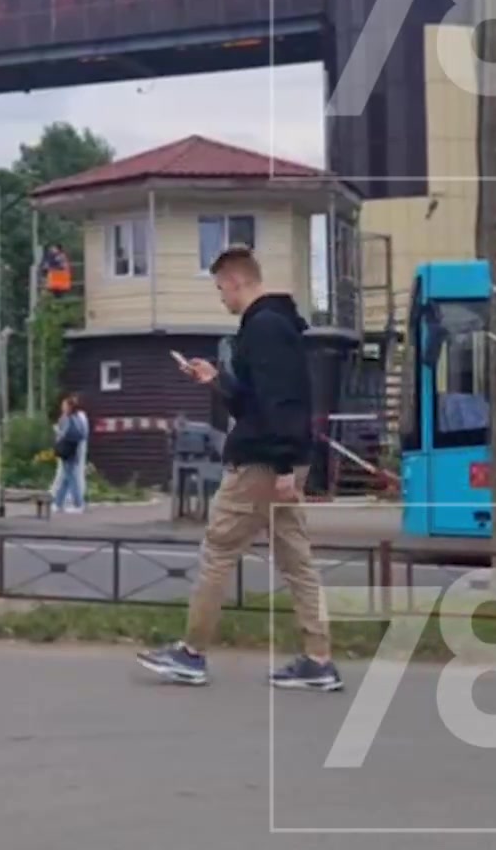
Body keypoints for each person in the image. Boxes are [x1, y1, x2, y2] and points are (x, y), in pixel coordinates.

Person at [137, 246, 342, 692]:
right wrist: (216, 380)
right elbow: (255, 399)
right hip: (281, 457)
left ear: (236, 281)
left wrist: (284, 465)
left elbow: (281, 401)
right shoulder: (276, 324)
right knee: (295, 558)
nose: (221, 299)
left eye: (219, 289)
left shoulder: (264, 328)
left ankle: (191, 654)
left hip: (263, 462)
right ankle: (318, 658)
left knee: (218, 548)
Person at [49, 393, 89, 514]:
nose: (62, 407)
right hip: (74, 450)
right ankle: (58, 503)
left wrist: (57, 430)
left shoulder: (67, 418)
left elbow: (64, 434)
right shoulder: (79, 417)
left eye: (64, 405)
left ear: (69, 407)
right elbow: (83, 434)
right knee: (67, 477)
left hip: (67, 450)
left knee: (71, 477)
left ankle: (78, 504)